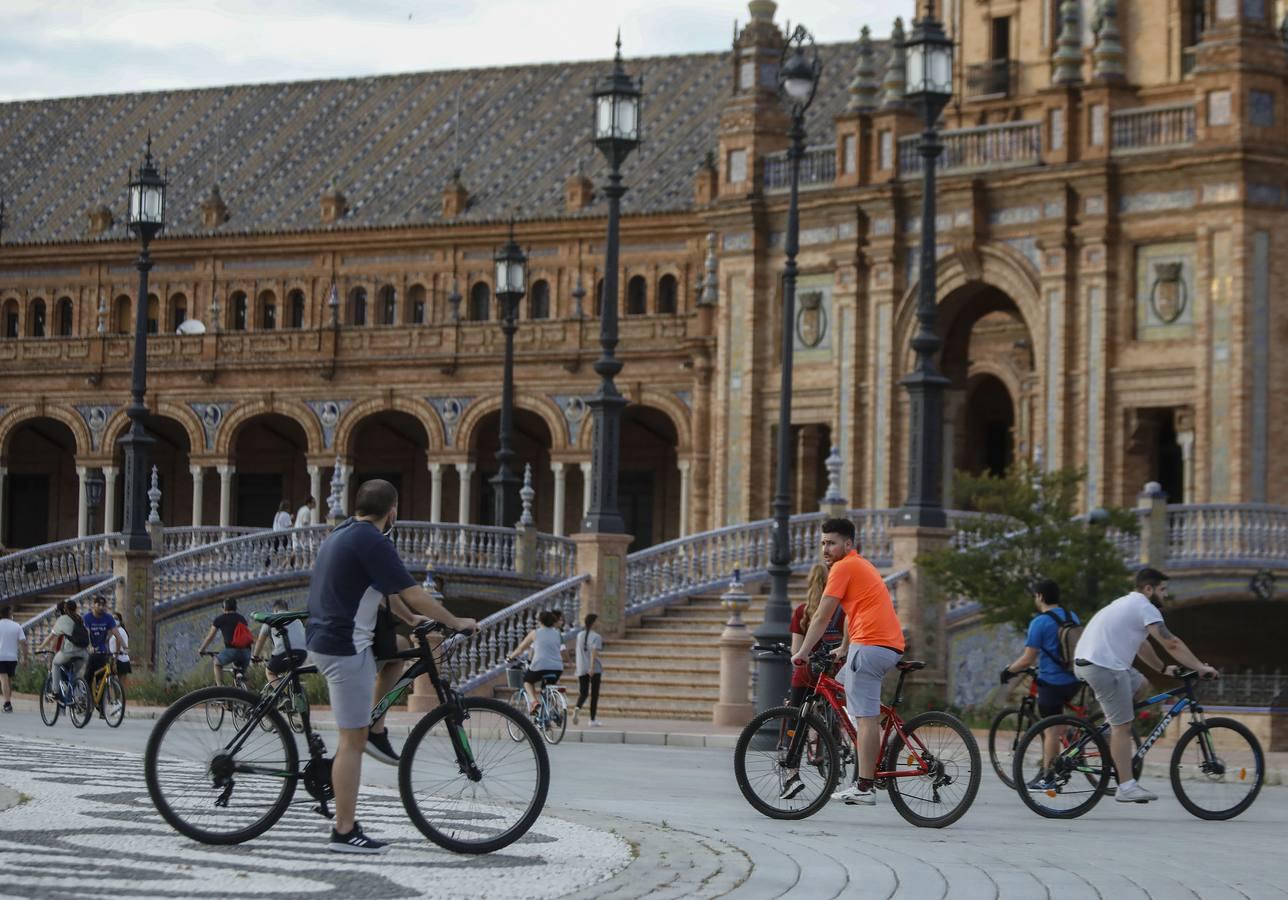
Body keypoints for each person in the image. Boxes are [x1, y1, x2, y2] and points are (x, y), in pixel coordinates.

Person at [305, 477, 475, 854]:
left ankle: (377, 728)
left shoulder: (345, 531)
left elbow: (385, 590)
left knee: (397, 650)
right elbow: (414, 592)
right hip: (344, 647)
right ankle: (345, 832)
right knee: (352, 741)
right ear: (393, 512)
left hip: (326, 637)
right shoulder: (373, 541)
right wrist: (453, 620)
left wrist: (412, 621)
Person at [1073, 567, 1217, 804]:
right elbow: (1171, 643)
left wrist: (1162, 669)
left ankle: (1109, 732)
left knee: (1141, 685)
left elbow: (1142, 646)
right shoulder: (1144, 607)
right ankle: (1126, 786)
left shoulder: (1128, 605)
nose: (1165, 595)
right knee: (1124, 726)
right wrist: (1201, 667)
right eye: (1162, 590)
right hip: (1103, 665)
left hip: (1099, 662)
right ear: (1148, 589)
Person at [792, 517, 904, 807]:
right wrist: (842, 647)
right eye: (823, 543)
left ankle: (865, 785)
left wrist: (802, 651)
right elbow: (854, 613)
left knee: (865, 718)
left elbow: (821, 615)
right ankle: (871, 748)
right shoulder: (861, 565)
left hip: (870, 647)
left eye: (831, 543)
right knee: (842, 690)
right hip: (878, 645)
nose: (826, 549)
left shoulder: (843, 567)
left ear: (848, 544)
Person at [999, 579, 1081, 790]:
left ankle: (1049, 777)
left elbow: (1028, 659)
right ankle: (1071, 735)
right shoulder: (1073, 616)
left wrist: (1008, 671)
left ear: (1041, 597)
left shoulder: (1040, 622)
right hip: (1075, 680)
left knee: (1050, 730)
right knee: (1061, 717)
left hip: (1052, 682)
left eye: (1035, 595)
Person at [789, 562, 847, 708]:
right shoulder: (842, 611)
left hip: (807, 675)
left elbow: (796, 651)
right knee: (833, 722)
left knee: (796, 722)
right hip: (835, 674)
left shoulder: (802, 612)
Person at [507, 610, 565, 716]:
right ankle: (551, 713)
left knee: (527, 681)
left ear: (540, 621)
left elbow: (520, 648)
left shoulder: (535, 633)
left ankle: (534, 702)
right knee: (547, 689)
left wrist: (510, 657)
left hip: (540, 665)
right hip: (557, 667)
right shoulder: (558, 633)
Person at [40, 598, 90, 702]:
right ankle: (79, 698)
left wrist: (40, 647)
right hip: (83, 653)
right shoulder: (79, 619)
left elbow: (51, 637)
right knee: (75, 675)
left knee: (55, 664)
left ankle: (55, 692)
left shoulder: (63, 619)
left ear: (65, 609)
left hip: (69, 652)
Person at [252, 599, 307, 687]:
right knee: (292, 672)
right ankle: (296, 694)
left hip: (284, 652)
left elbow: (260, 641)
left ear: (275, 610)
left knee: (270, 672)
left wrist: (255, 657)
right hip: (302, 652)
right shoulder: (296, 619)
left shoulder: (271, 618)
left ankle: (283, 697)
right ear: (287, 608)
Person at [196, 598, 253, 685]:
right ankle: (249, 693)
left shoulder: (220, 619)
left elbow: (210, 637)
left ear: (224, 608)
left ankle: (220, 688)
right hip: (247, 652)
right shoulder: (242, 618)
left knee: (217, 663)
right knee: (241, 673)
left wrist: (202, 649)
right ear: (235, 607)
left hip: (232, 650)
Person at [82, 595, 127, 686]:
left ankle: (101, 698)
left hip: (103, 651)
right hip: (90, 651)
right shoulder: (87, 618)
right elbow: (86, 634)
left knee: (103, 678)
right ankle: (86, 695)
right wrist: (90, 646)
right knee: (88, 677)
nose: (101, 607)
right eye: (99, 605)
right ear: (94, 605)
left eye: (103, 605)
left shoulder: (108, 618)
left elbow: (116, 633)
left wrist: (124, 646)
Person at [573, 613, 603, 727]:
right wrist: (592, 668)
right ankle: (592, 719)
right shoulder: (596, 636)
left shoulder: (580, 635)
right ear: (593, 622)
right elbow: (593, 653)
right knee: (594, 694)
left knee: (583, 693)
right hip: (594, 669)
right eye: (598, 621)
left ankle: (577, 707)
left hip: (581, 667)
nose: (599, 623)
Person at [0, 607, 25, 713]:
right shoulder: (17, 626)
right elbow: (23, 643)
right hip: (12, 657)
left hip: (1, 656)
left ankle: (7, 703)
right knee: (8, 680)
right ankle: (8, 701)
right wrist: (25, 657)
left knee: (4, 680)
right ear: (10, 614)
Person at [108, 612, 131, 690]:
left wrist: (115, 661)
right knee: (121, 686)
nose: (114, 620)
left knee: (113, 683)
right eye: (112, 618)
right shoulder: (121, 630)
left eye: (116, 619)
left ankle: (115, 700)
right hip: (125, 659)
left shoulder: (119, 631)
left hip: (118, 659)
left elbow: (118, 644)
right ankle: (118, 700)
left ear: (120, 621)